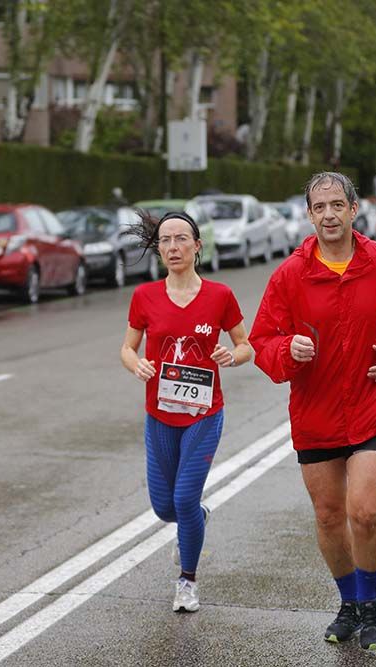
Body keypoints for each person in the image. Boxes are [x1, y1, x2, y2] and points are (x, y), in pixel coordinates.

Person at [248, 173, 376, 651]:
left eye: (337, 205)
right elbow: (263, 342)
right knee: (330, 516)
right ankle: (348, 603)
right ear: (309, 215)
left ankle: (369, 604)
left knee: (365, 512)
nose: (329, 214)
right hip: (317, 412)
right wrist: (289, 348)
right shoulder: (290, 276)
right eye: (319, 207)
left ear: (354, 210)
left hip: (374, 406)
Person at [120, 210, 253, 613]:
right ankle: (197, 516)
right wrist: (136, 364)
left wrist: (232, 355)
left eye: (181, 239)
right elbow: (127, 348)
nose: (173, 247)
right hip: (159, 415)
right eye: (165, 241)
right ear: (158, 249)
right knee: (166, 508)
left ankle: (187, 582)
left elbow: (247, 345)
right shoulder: (144, 296)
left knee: (183, 497)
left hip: (203, 415)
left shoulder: (220, 296)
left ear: (197, 246)